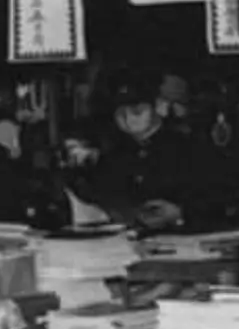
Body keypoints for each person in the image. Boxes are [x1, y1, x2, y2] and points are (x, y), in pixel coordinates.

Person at [75, 70, 207, 233]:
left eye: (137, 110)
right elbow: (101, 197)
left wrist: (180, 212)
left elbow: (215, 197)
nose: (130, 118)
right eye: (122, 112)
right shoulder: (113, 156)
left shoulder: (188, 149)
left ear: (156, 109)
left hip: (184, 238)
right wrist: (125, 213)